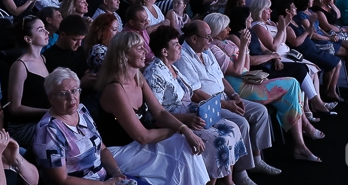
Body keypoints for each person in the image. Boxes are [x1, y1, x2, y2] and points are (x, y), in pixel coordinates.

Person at [203, 14, 323, 162]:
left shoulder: (228, 41)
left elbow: (246, 68)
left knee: (292, 92)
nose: (229, 29)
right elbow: (237, 71)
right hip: (237, 86)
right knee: (292, 83)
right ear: (217, 29)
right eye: (225, 27)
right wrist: (242, 46)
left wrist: (245, 48)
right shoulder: (213, 48)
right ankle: (302, 137)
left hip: (248, 79)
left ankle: (300, 145)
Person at [174, 20, 282, 185]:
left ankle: (257, 160)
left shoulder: (206, 51)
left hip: (224, 98)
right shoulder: (183, 58)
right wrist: (225, 104)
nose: (211, 41)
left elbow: (221, 78)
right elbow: (195, 94)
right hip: (207, 105)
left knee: (260, 111)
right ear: (194, 39)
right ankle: (241, 172)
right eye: (207, 37)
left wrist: (234, 96)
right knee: (241, 123)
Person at [95, 32, 210, 185]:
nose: (145, 52)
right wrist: (182, 129)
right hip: (121, 151)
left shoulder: (138, 77)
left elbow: (159, 111)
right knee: (179, 150)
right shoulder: (115, 90)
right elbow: (142, 136)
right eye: (139, 48)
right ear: (124, 55)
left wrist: (184, 130)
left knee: (183, 144)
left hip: (138, 145)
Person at [145, 25, 246, 183]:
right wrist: (185, 120)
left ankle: (228, 181)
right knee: (217, 140)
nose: (180, 47)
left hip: (192, 114)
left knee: (233, 128)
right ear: (164, 51)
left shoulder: (172, 68)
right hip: (175, 122)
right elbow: (156, 113)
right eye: (176, 45)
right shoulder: (154, 73)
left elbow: (190, 94)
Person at [32, 68, 131, 185]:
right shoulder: (49, 130)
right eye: (63, 94)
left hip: (104, 179)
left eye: (74, 90)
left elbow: (102, 148)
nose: (71, 97)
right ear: (51, 98)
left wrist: (117, 173)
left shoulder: (81, 110)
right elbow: (61, 180)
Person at [7, 16, 51, 148]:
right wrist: (48, 111)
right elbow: (14, 108)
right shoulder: (20, 66)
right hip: (24, 126)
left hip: (44, 119)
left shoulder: (42, 58)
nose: (47, 32)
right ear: (28, 39)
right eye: (40, 30)